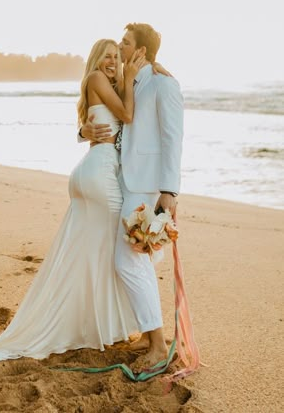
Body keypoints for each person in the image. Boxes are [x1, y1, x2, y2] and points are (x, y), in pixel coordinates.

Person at [0, 39, 147, 361]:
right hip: (99, 176)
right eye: (106, 56)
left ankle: (92, 325)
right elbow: (127, 116)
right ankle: (96, 325)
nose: (111, 61)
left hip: (93, 172)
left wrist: (86, 129)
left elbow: (109, 123)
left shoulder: (104, 85)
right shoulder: (97, 80)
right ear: (95, 60)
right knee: (112, 248)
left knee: (91, 253)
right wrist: (129, 78)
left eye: (116, 57)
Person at [80, 23, 184, 368]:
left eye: (125, 43)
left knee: (128, 259)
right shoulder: (125, 81)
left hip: (146, 183)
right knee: (134, 260)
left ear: (140, 50)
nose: (119, 48)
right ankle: (150, 335)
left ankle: (157, 342)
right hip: (121, 177)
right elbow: (99, 111)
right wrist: (83, 131)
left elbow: (173, 139)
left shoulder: (163, 83)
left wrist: (169, 192)